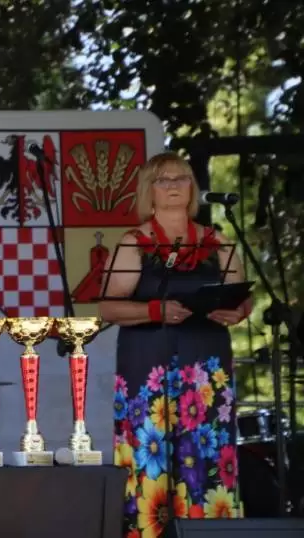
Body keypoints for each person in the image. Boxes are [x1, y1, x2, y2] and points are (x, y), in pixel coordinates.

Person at [99, 152, 252, 537]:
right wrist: (155, 310)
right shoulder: (134, 243)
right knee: (151, 458)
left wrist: (239, 311)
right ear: (148, 191)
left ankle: (212, 531)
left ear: (192, 188)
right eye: (163, 180)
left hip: (206, 368)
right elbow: (108, 307)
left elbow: (242, 296)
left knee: (208, 455)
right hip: (148, 365)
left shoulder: (218, 242)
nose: (173, 186)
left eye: (181, 178)